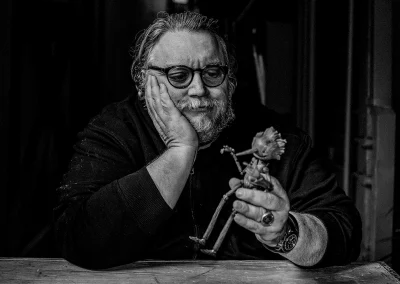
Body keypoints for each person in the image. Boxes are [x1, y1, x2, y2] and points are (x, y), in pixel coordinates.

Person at [54, 11, 362, 269]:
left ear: (230, 81)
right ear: (144, 80)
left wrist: (287, 234)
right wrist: (181, 151)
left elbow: (344, 231)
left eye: (213, 72)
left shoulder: (274, 134)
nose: (199, 89)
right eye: (179, 75)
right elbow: (77, 238)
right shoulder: (114, 131)